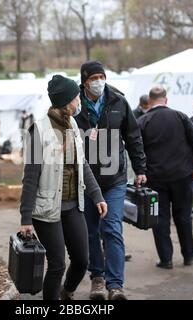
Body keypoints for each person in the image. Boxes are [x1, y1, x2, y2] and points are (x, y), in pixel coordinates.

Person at [19, 75, 108, 300]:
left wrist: (97, 195)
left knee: (81, 260)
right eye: (77, 97)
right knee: (57, 264)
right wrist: (26, 218)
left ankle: (66, 291)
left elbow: (82, 164)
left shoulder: (73, 124)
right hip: (47, 209)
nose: (79, 100)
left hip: (73, 205)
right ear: (67, 100)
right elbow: (30, 177)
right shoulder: (38, 130)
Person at [74, 61, 147, 300]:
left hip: (114, 178)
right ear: (84, 81)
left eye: (101, 76)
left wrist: (140, 169)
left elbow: (133, 137)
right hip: (86, 180)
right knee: (91, 232)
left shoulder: (118, 101)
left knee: (112, 229)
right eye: (93, 77)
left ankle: (115, 285)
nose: (98, 81)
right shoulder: (74, 105)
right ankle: (97, 277)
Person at [137, 86, 193, 270]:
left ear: (149, 102)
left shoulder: (143, 121)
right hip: (182, 175)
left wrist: (140, 171)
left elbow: (136, 149)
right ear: (166, 100)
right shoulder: (180, 117)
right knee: (184, 216)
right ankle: (188, 254)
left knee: (160, 218)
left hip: (155, 177)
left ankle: (166, 259)